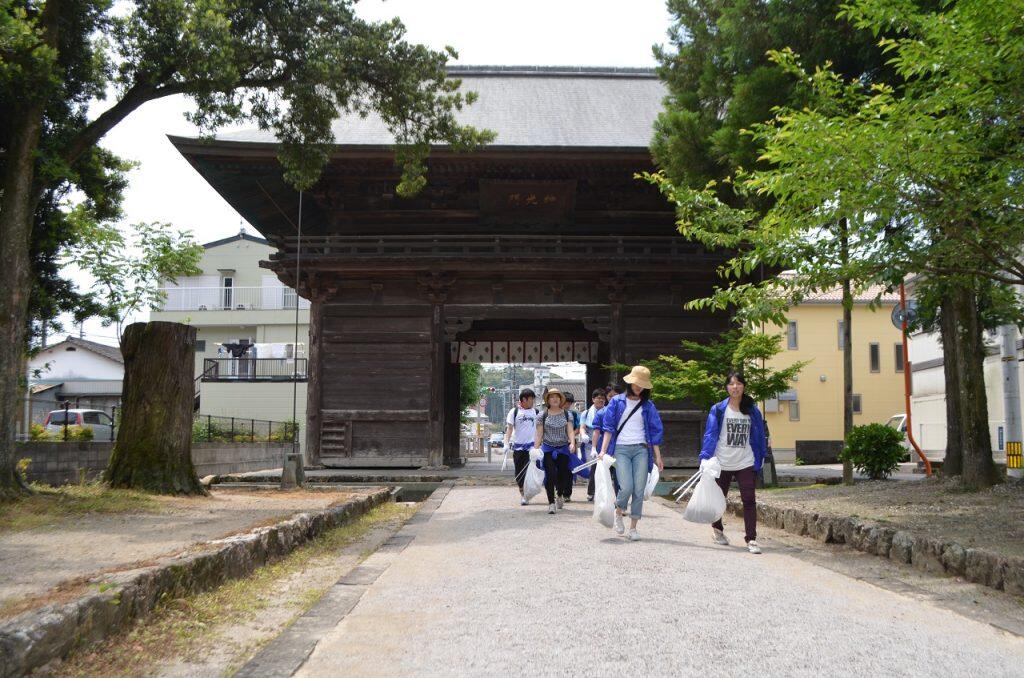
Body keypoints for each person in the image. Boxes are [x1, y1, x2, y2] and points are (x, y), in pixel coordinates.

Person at [698, 371, 767, 554]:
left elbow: (759, 435)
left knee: (749, 500)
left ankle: (751, 538)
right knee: (718, 499)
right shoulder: (719, 409)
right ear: (727, 387)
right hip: (722, 462)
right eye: (731, 384)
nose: (735, 387)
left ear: (744, 386)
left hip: (746, 461)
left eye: (738, 383)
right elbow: (710, 434)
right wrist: (705, 457)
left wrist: (761, 456)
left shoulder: (752, 410)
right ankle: (718, 530)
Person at [599, 367, 664, 541]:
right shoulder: (616, 401)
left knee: (639, 489)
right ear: (630, 382)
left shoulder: (648, 405)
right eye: (636, 383)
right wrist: (603, 450)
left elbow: (655, 431)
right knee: (626, 486)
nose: (638, 387)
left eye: (642, 384)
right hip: (621, 448)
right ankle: (618, 511)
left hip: (642, 449)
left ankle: (633, 528)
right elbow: (608, 428)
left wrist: (658, 456)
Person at [534, 387, 576, 514]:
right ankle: (551, 503)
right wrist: (535, 449)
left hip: (563, 449)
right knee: (550, 475)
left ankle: (560, 494)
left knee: (562, 475)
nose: (555, 399)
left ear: (561, 399)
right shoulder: (542, 415)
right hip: (547, 448)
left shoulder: (567, 414)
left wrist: (572, 443)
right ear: (547, 400)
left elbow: (570, 431)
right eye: (551, 397)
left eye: (557, 396)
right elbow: (539, 434)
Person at [504, 388, 540, 505]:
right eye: (531, 399)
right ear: (524, 399)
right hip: (518, 448)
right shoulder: (514, 412)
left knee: (529, 471)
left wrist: (538, 445)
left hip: (532, 448)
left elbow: (540, 430)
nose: (533, 401)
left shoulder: (536, 412)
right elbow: (509, 429)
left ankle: (526, 495)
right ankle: (522, 493)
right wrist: (506, 443)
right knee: (519, 473)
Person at [581, 388, 608, 501]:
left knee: (604, 469)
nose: (601, 400)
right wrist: (583, 434)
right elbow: (582, 427)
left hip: (604, 444)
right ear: (593, 399)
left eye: (603, 398)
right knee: (593, 467)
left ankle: (601, 493)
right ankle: (591, 492)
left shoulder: (608, 412)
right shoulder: (586, 413)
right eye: (598, 398)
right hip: (590, 445)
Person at [563, 391, 582, 501]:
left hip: (571, 443)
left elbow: (578, 429)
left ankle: (567, 494)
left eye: (569, 403)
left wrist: (570, 436)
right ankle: (558, 490)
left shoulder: (574, 414)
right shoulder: (554, 413)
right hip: (557, 443)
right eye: (566, 402)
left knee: (570, 468)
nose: (567, 405)